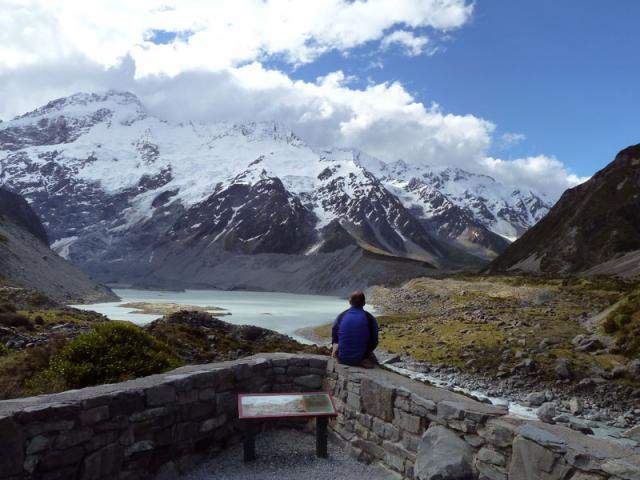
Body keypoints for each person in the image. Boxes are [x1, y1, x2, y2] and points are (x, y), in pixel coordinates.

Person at [331, 291, 379, 368]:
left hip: (341, 359)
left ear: (350, 302)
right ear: (364, 303)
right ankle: (363, 359)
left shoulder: (341, 316)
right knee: (374, 360)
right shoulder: (370, 318)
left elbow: (334, 337)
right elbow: (374, 341)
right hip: (360, 359)